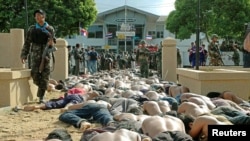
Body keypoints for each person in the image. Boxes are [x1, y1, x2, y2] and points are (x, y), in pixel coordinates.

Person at [20, 9, 56, 103]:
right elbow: (27, 43)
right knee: (35, 74)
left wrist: (51, 43)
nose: (37, 17)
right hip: (35, 55)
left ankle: (41, 97)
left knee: (45, 75)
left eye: (39, 15)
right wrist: (24, 54)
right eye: (36, 16)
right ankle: (43, 87)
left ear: (43, 17)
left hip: (46, 54)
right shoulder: (32, 29)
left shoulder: (49, 29)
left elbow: (53, 41)